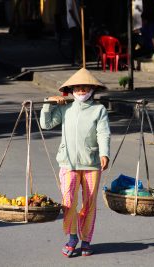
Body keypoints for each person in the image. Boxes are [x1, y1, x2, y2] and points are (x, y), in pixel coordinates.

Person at [40, 68, 111, 257]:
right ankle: (72, 237)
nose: (81, 90)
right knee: (68, 201)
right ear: (71, 89)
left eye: (85, 87)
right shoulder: (65, 108)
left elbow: (103, 133)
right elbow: (46, 124)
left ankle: (86, 240)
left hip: (92, 163)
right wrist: (49, 103)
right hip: (68, 163)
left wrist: (104, 153)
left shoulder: (99, 110)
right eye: (78, 87)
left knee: (89, 203)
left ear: (92, 90)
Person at [66, 0, 81, 66]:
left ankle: (76, 60)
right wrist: (77, 22)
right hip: (73, 23)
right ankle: (75, 60)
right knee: (75, 42)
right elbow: (70, 10)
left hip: (75, 22)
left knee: (76, 42)